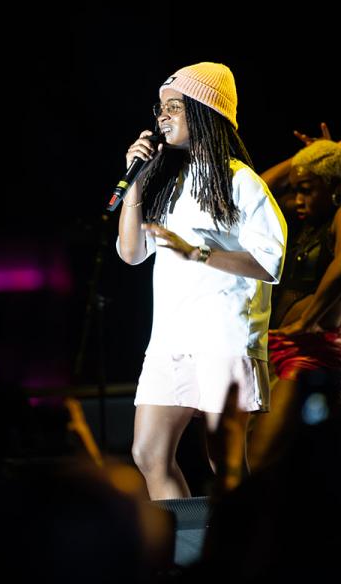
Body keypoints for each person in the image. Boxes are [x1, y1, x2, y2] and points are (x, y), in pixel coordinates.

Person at [116, 61, 287, 500]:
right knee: (149, 453)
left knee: (222, 461)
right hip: (171, 338)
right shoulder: (169, 183)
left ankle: (243, 540)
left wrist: (200, 253)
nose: (163, 116)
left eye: (174, 107)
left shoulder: (241, 181)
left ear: (205, 111)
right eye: (160, 108)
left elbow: (270, 262)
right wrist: (134, 184)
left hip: (223, 336)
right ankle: (182, 540)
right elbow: (131, 253)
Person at [246, 134, 341, 470]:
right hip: (275, 349)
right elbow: (257, 191)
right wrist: (304, 157)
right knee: (254, 459)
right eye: (296, 190)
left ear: (334, 186)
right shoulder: (304, 220)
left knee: (264, 459)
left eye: (306, 189)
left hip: (313, 353)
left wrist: (307, 321)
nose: (298, 199)